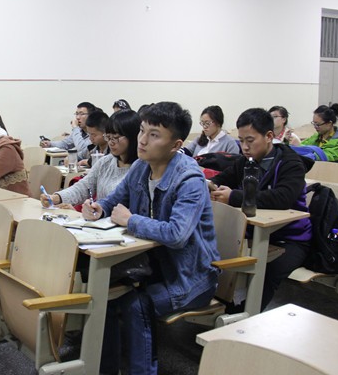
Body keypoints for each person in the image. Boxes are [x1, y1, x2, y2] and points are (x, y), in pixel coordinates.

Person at [83, 102, 220, 375]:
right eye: (142, 131)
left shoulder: (189, 179)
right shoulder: (140, 167)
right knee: (104, 297)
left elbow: (177, 234)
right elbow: (114, 200)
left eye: (154, 135)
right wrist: (99, 208)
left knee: (136, 306)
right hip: (151, 267)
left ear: (175, 145)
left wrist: (131, 220)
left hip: (190, 276)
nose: (142, 140)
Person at [209, 108, 312, 311]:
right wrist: (209, 185)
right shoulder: (246, 161)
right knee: (217, 254)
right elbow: (222, 178)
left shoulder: (290, 163)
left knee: (267, 272)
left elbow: (282, 198)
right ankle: (222, 304)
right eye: (241, 141)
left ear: (269, 136)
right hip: (252, 233)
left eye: (250, 140)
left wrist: (234, 197)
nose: (244, 147)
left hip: (290, 238)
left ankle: (244, 314)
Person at [41, 110, 140, 209]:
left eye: (115, 137)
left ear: (133, 137)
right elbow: (84, 187)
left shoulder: (141, 169)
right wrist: (57, 197)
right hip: (100, 217)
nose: (111, 142)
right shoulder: (105, 162)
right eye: (108, 137)